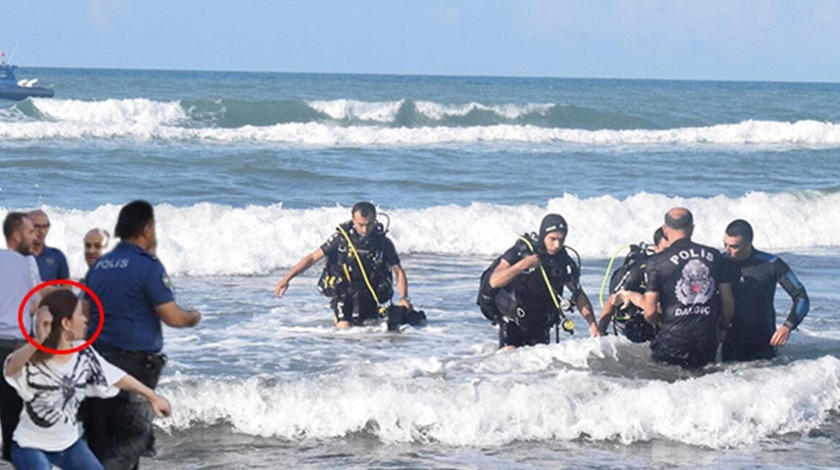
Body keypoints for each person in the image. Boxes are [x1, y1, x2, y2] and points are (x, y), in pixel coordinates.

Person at [83, 200, 201, 469]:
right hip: (134, 366)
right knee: (126, 448)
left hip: (97, 363)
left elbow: (83, 315)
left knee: (99, 444)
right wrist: (192, 317)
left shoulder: (100, 267)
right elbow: (172, 317)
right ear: (147, 228)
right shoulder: (147, 266)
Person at [3, 289, 171, 470]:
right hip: (30, 447)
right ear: (66, 323)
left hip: (69, 445)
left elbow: (116, 377)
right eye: (79, 314)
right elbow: (12, 368)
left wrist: (152, 396)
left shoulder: (83, 353)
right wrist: (39, 339)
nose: (85, 319)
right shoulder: (31, 356)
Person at [274, 202, 422, 330]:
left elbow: (398, 271)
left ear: (375, 220)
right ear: (353, 220)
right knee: (346, 331)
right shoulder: (340, 240)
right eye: (361, 225)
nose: (365, 229)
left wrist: (404, 297)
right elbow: (312, 258)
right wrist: (286, 279)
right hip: (344, 293)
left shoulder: (383, 243)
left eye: (369, 224)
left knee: (374, 332)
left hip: (370, 294)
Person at [478, 214, 600, 350]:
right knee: (510, 361)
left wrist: (593, 326)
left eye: (561, 239)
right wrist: (523, 264)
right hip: (513, 321)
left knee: (539, 367)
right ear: (543, 235)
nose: (557, 245)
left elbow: (578, 295)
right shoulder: (521, 251)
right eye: (552, 239)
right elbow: (494, 281)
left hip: (540, 325)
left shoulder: (563, 262)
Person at [640, 207, 736, 368]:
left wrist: (659, 323)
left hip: (672, 339)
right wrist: (723, 327)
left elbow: (649, 311)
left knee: (666, 385)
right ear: (692, 228)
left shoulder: (656, 262)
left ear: (665, 229)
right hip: (706, 339)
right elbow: (727, 300)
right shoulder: (715, 256)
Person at [721, 219, 809, 361]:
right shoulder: (720, 262)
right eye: (725, 244)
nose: (727, 250)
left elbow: (801, 296)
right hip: (730, 341)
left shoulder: (771, 263)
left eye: (734, 246)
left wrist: (787, 326)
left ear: (748, 244)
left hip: (763, 341)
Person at [0, 213, 41, 463]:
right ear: (16, 236)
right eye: (29, 232)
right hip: (16, 348)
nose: (35, 237)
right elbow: (35, 305)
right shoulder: (28, 264)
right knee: (13, 415)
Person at [597, 227, 670, 342]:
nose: (669, 255)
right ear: (656, 249)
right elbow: (613, 300)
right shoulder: (639, 271)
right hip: (633, 316)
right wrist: (599, 334)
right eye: (666, 250)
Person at [27, 210, 69, 281]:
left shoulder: (57, 256)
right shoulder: (16, 256)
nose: (41, 231)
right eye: (36, 226)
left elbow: (66, 288)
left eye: (44, 227)